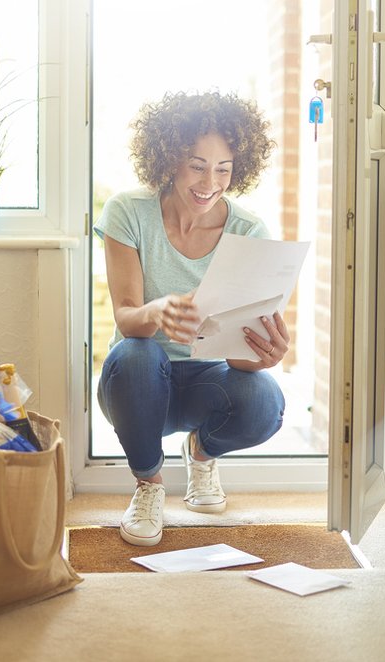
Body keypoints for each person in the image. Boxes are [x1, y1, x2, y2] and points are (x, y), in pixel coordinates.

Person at [94, 90, 290, 546]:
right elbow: (127, 320)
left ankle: (201, 455)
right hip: (139, 385)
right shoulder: (128, 212)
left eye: (223, 168)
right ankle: (149, 485)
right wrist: (158, 311)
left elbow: (239, 360)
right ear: (168, 159)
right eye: (197, 165)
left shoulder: (248, 231)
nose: (210, 182)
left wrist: (263, 355)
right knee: (137, 353)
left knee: (266, 401)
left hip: (209, 376)